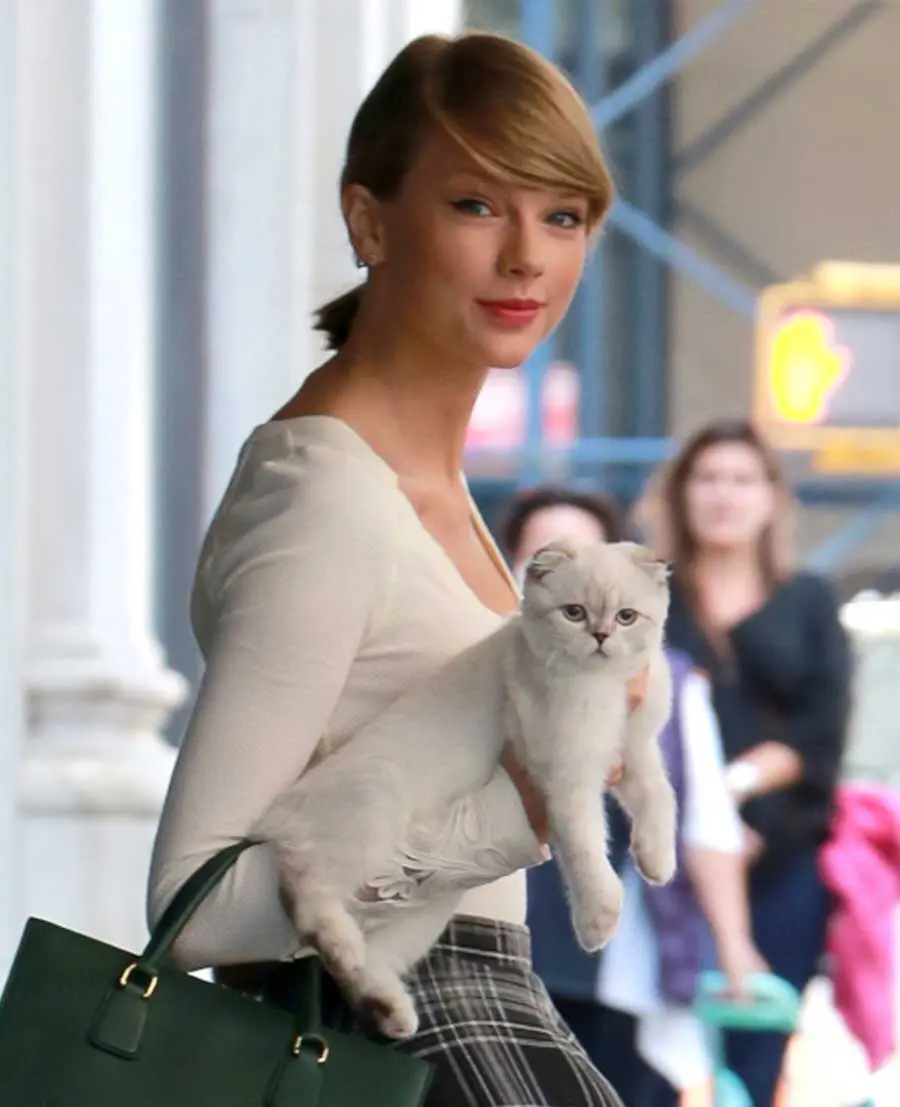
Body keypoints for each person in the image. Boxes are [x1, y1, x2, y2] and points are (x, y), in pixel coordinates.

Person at [147, 31, 630, 1107]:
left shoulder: (424, 485)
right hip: (392, 1035)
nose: (526, 258)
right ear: (369, 219)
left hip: (477, 1014)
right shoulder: (327, 497)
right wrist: (515, 814)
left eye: (561, 215)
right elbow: (195, 901)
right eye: (475, 205)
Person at [501, 486, 767, 1107]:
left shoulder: (668, 679)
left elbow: (704, 826)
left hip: (618, 967)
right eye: (547, 556)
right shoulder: (477, 671)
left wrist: (733, 945)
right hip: (492, 954)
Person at [645, 418, 852, 1107]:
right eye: (707, 478)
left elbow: (819, 733)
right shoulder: (649, 596)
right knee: (653, 1063)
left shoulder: (809, 599)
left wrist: (728, 794)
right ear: (681, 493)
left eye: (741, 479)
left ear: (771, 496)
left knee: (757, 1057)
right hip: (661, 868)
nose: (723, 495)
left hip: (783, 859)